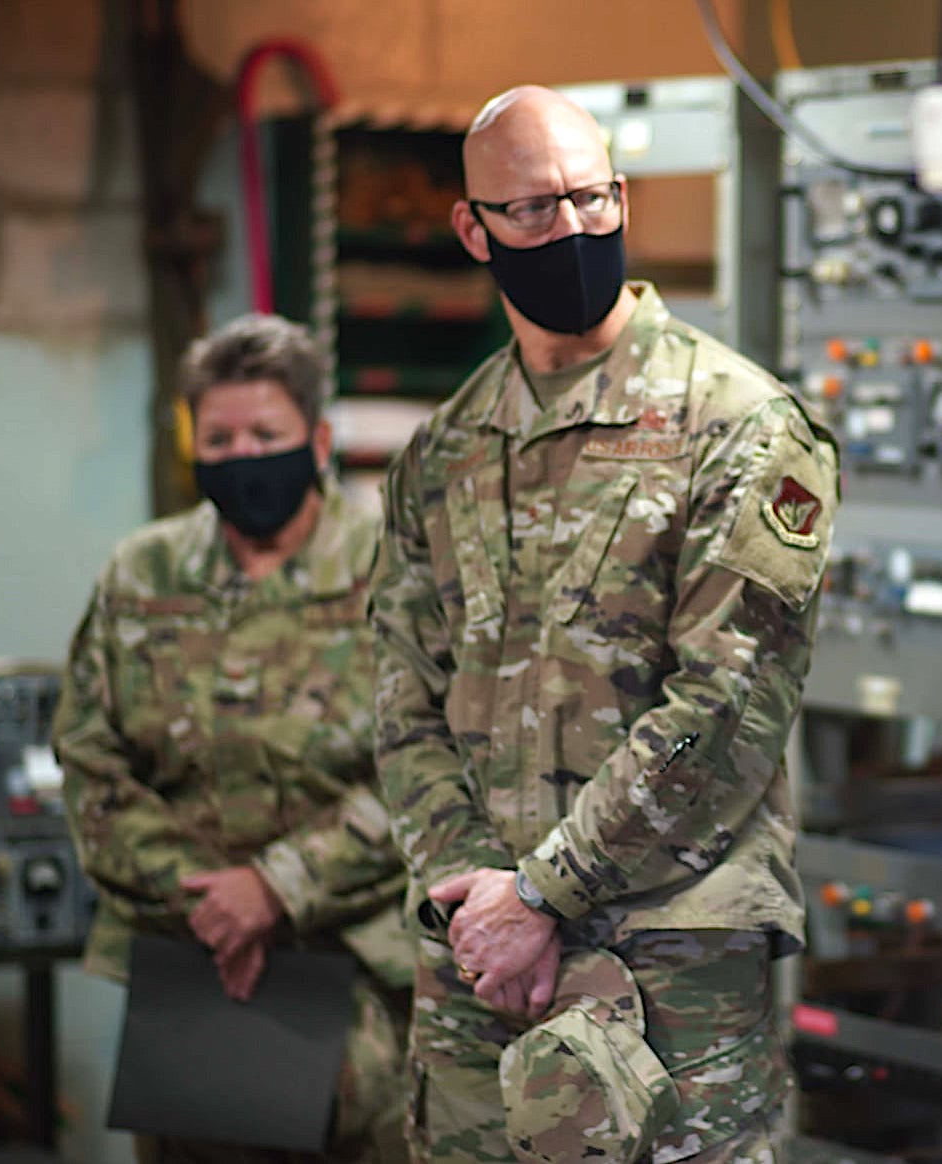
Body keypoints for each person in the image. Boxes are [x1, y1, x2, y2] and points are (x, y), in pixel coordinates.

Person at [370, 86, 839, 1164]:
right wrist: (475, 896)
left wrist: (543, 892)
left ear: (620, 197)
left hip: (662, 961)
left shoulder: (739, 424)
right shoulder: (444, 450)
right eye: (531, 210)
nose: (569, 229)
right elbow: (401, 691)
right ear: (471, 227)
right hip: (477, 958)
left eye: (589, 198)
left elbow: (725, 705)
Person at [55, 314, 410, 1164]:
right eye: (219, 437)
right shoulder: (143, 576)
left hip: (361, 979)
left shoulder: (396, 572)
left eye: (266, 434)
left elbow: (436, 767)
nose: (244, 455)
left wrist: (277, 888)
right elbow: (91, 762)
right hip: (192, 977)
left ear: (317, 438)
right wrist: (210, 903)